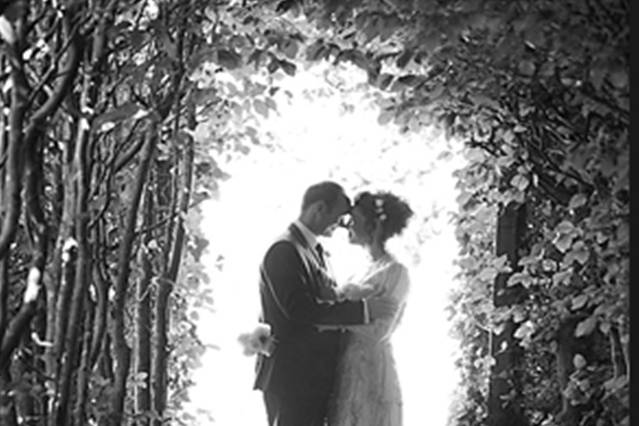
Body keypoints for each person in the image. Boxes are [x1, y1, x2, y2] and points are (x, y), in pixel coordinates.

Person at [253, 181, 399, 426]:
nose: (342, 226)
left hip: (313, 377)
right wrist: (363, 310)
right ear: (319, 209)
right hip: (293, 377)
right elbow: (300, 310)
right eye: (340, 217)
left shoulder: (314, 250)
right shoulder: (284, 249)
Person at [327, 190, 414, 426]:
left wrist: (333, 318)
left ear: (373, 225)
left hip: (374, 370)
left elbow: (380, 331)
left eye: (354, 219)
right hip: (347, 367)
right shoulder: (359, 271)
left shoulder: (396, 272)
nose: (347, 226)